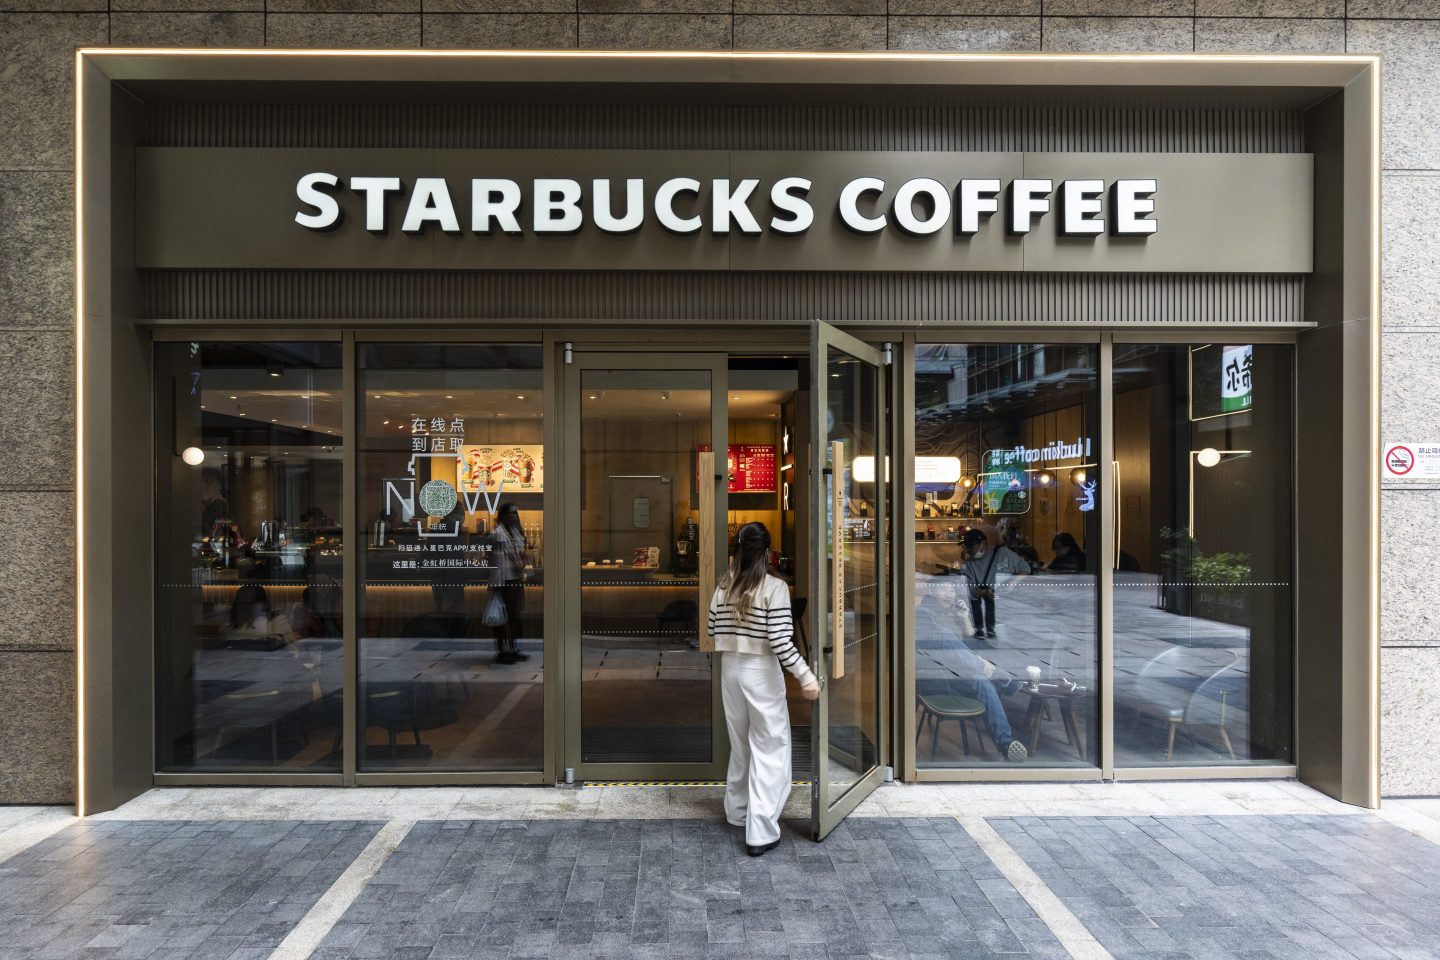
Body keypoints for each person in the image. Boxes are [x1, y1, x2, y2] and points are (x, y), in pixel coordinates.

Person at [708, 522, 820, 857]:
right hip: (760, 672)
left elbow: (712, 627)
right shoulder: (775, 588)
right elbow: (781, 642)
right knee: (770, 747)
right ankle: (760, 831)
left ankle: (737, 812)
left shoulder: (723, 586)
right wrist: (805, 675)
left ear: (737, 551)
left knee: (741, 744)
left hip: (730, 669)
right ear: (768, 553)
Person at [915, 595, 1028, 762]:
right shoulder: (922, 614)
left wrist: (964, 620)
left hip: (959, 678)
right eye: (943, 588)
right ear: (932, 593)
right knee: (943, 635)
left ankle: (1006, 743)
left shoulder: (953, 615)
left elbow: (975, 648)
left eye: (951, 589)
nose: (949, 594)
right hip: (934, 680)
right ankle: (993, 673)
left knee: (983, 683)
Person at [959, 529, 1030, 643]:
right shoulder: (969, 564)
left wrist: (1012, 583)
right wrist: (984, 593)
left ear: (982, 544)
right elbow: (972, 591)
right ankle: (979, 628)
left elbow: (1025, 568)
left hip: (1006, 606)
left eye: (971, 547)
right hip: (982, 594)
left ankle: (991, 628)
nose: (968, 550)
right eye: (966, 547)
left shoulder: (1001, 553)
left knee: (990, 603)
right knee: (976, 602)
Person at [488, 503, 530, 664]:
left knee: (514, 617)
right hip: (503, 580)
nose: (514, 516)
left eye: (516, 513)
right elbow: (496, 561)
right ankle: (502, 651)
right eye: (511, 513)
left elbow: (522, 554)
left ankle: (513, 649)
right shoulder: (497, 534)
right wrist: (495, 583)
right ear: (502, 515)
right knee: (501, 618)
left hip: (515, 578)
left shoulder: (514, 532)